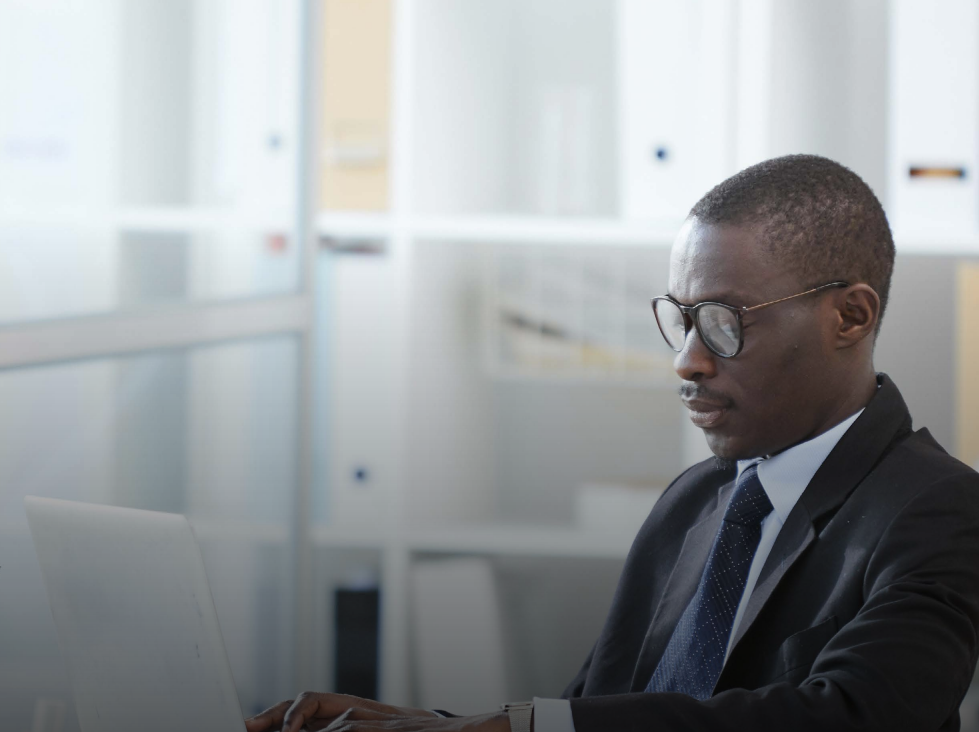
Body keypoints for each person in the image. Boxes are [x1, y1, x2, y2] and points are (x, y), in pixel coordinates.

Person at [246, 155, 979, 732]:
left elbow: (855, 715)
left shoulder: (938, 507)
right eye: (681, 317)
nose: (686, 359)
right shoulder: (695, 501)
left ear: (849, 316)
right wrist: (422, 724)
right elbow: (594, 710)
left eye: (723, 319)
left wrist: (504, 726)